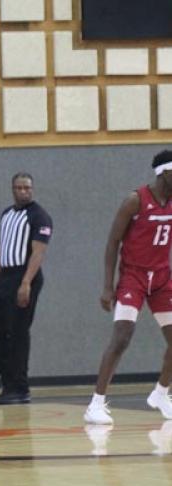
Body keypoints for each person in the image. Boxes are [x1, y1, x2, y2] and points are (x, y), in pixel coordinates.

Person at [85, 151, 172, 425]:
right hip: (133, 277)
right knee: (122, 336)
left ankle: (160, 393)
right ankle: (96, 403)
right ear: (164, 173)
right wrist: (107, 286)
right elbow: (113, 243)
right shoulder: (135, 200)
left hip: (161, 278)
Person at [0, 172, 53, 405]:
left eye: (27, 188)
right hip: (4, 277)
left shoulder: (39, 216)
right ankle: (8, 382)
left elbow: (39, 252)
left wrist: (26, 283)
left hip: (24, 276)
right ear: (12, 189)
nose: (24, 191)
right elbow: (0, 247)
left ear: (32, 190)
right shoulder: (6, 214)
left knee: (18, 333)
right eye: (19, 188)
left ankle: (20, 388)